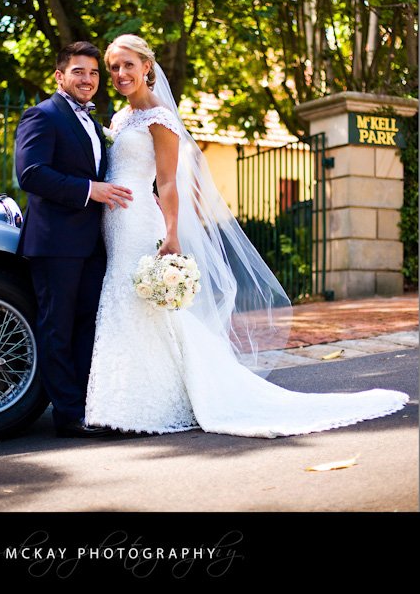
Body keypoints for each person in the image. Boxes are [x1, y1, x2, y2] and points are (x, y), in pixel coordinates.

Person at [85, 34, 409, 437]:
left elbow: (167, 183)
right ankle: (125, 399)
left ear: (147, 67)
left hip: (140, 224)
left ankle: (145, 405)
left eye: (127, 65)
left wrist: (172, 235)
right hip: (114, 222)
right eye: (113, 67)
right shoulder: (119, 119)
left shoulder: (159, 118)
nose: (119, 74)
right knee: (126, 304)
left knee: (144, 306)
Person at [15, 41, 133, 438]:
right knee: (57, 328)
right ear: (59, 76)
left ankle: (90, 406)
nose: (88, 79)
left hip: (92, 243)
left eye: (94, 73)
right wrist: (90, 189)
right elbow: (31, 174)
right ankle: (67, 415)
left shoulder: (95, 121)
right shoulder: (43, 115)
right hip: (55, 244)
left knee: (87, 327)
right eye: (79, 72)